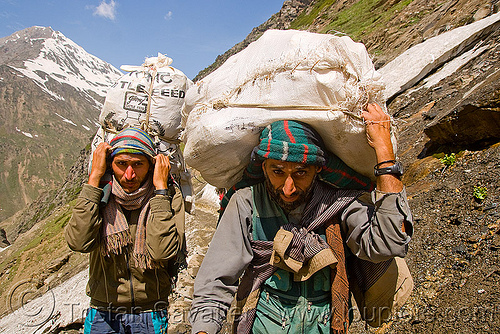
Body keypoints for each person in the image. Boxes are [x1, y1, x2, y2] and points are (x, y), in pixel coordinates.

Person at [189, 103, 413, 334]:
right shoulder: (246, 203)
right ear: (263, 167)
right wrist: (204, 328)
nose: (288, 188)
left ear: (318, 169)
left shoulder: (338, 203)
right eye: (278, 172)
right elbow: (215, 281)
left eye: (300, 173)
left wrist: (385, 155)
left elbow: (388, 243)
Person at [65, 127, 185, 334]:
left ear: (151, 166)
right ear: (110, 165)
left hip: (151, 310)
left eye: (138, 164)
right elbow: (78, 242)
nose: (129, 174)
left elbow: (162, 252)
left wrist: (160, 192)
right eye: (121, 164)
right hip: (103, 309)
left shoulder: (167, 197)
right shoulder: (101, 195)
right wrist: (94, 178)